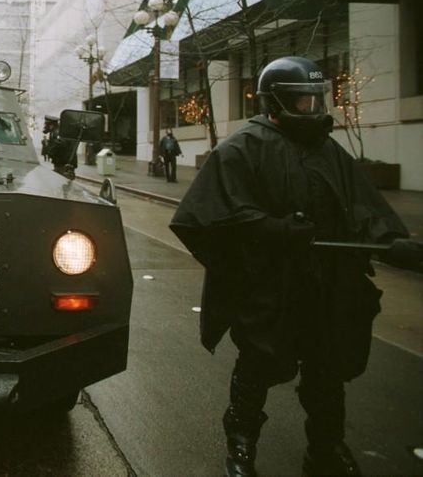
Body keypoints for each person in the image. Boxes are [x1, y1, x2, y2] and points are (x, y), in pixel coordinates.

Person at [170, 56, 410, 477]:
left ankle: (325, 447)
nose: (312, 109)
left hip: (325, 285)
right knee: (257, 367)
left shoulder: (327, 149)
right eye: (303, 101)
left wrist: (392, 242)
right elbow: (203, 217)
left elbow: (364, 208)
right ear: (276, 102)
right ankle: (241, 449)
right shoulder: (242, 149)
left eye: (317, 99)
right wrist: (272, 229)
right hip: (270, 287)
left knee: (326, 371)